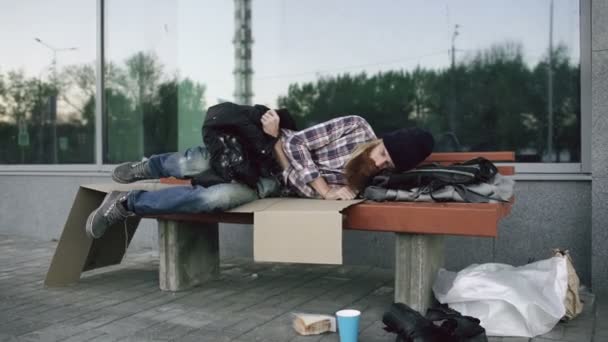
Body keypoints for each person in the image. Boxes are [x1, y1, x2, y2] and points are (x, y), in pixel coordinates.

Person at [85, 109, 434, 239]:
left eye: (388, 165)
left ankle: (129, 203)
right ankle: (148, 167)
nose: (379, 163)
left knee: (218, 198)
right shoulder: (355, 127)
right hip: (259, 151)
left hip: (270, 184)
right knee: (196, 163)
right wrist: (322, 185)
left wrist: (313, 184)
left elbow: (303, 190)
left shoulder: (362, 183)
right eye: (383, 153)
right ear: (381, 140)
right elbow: (297, 143)